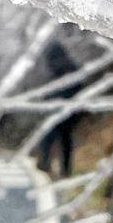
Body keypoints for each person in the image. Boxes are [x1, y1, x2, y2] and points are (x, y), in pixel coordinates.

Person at [37, 40, 78, 177]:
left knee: (52, 138)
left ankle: (46, 164)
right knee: (64, 140)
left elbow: (51, 88)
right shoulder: (69, 66)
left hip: (61, 109)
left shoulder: (59, 66)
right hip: (67, 110)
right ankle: (63, 170)